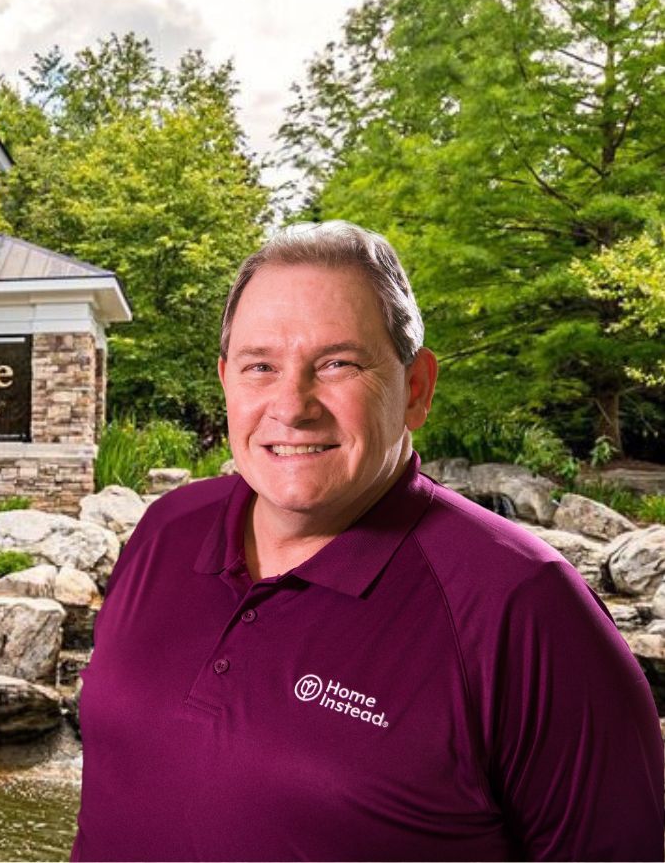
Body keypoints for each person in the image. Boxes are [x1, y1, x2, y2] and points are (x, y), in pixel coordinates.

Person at [71, 221, 663, 862]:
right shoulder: (167, 528)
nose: (292, 405)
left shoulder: (525, 609)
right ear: (225, 381)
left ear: (415, 389)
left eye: (337, 364)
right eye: (260, 366)